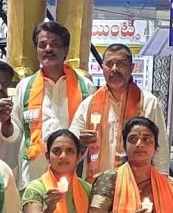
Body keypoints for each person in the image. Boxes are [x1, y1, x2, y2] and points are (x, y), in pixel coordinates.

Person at [71, 42, 165, 176]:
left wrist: (162, 182)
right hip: (97, 184)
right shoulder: (88, 105)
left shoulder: (149, 103)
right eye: (109, 64)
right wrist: (81, 144)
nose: (114, 69)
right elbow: (70, 149)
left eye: (121, 64)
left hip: (136, 183)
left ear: (132, 68)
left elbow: (161, 151)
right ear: (103, 67)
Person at [19, 22, 86, 179]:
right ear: (37, 51)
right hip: (34, 173)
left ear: (66, 50)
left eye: (54, 44)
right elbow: (16, 130)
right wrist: (6, 123)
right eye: (42, 45)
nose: (48, 49)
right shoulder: (24, 87)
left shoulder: (85, 87)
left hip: (73, 173)